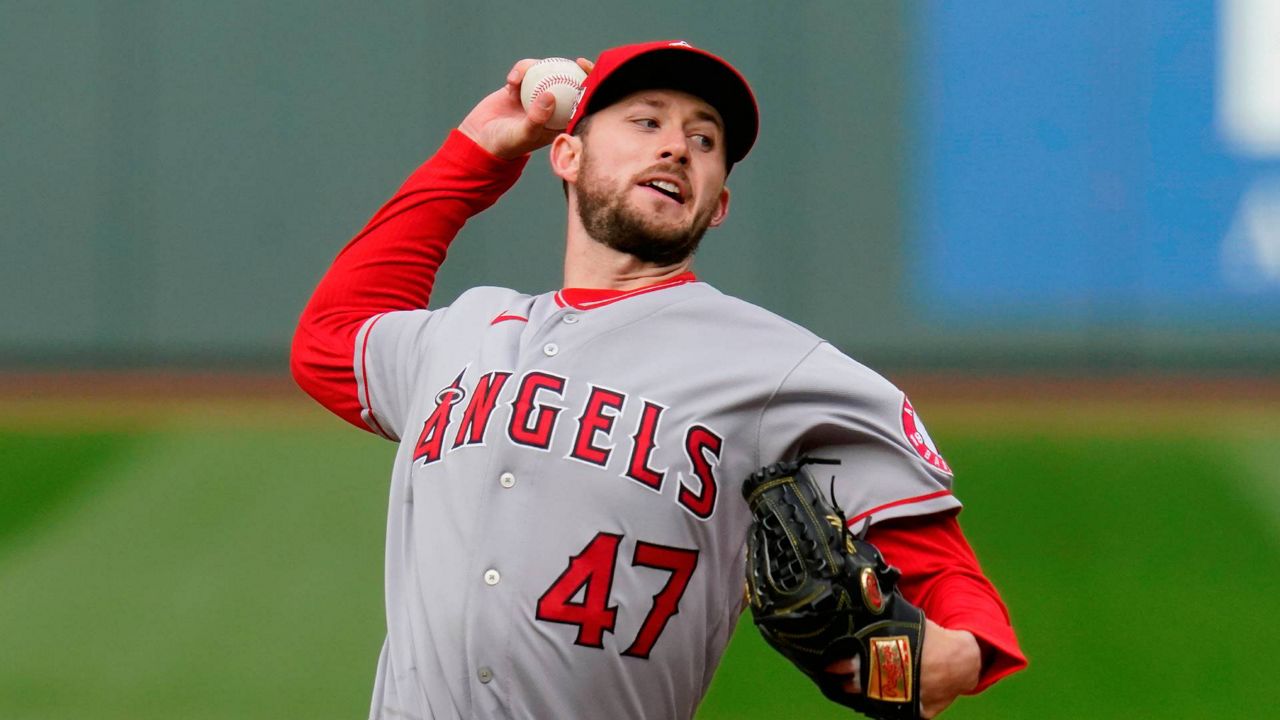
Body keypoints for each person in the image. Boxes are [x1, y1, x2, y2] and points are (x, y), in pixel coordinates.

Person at [292, 40, 1026, 720]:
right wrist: (480, 153)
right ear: (568, 155)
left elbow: (937, 563)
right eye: (646, 122)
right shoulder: (465, 332)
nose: (676, 145)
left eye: (705, 141)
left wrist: (963, 652)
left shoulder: (779, 369)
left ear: (720, 203)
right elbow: (329, 339)